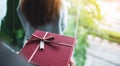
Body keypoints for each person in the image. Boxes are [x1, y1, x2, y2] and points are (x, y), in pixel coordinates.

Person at [17, 0, 75, 66]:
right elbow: (63, 27)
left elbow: (24, 25)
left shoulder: (23, 3)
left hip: (30, 52)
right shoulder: (59, 4)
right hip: (55, 52)